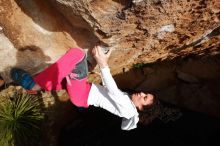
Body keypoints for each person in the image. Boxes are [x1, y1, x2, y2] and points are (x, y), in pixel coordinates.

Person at [10, 46, 156, 130]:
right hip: (83, 93)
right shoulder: (128, 103)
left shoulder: (129, 110)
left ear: (141, 108)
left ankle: (35, 85)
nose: (142, 93)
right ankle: (41, 88)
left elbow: (112, 90)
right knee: (67, 77)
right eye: (145, 93)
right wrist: (101, 62)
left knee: (78, 54)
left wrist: (103, 63)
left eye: (144, 98)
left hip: (82, 94)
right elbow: (107, 87)